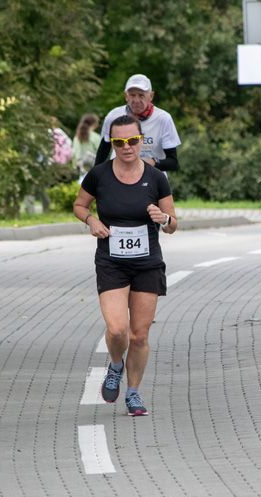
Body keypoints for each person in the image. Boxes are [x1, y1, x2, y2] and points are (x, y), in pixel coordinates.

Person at [73, 114, 177, 417]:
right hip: (111, 263)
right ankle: (115, 365)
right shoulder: (100, 175)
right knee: (117, 329)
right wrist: (91, 220)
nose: (127, 147)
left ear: (141, 140)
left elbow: (173, 224)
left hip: (147, 264)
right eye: (119, 142)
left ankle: (133, 393)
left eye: (133, 141)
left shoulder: (157, 178)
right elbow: (80, 205)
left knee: (139, 335)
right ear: (112, 143)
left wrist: (164, 219)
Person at [95, 74, 181, 175]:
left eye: (141, 95)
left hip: (152, 178)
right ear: (126, 96)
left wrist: (152, 162)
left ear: (151, 96)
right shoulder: (113, 116)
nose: (136, 100)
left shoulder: (163, 119)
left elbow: (173, 163)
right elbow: (101, 155)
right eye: (132, 95)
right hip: (119, 177)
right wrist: (95, 180)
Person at [72, 113, 102, 183]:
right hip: (95, 169)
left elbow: (75, 154)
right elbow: (101, 153)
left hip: (81, 170)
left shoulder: (77, 137)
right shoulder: (96, 137)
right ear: (94, 123)